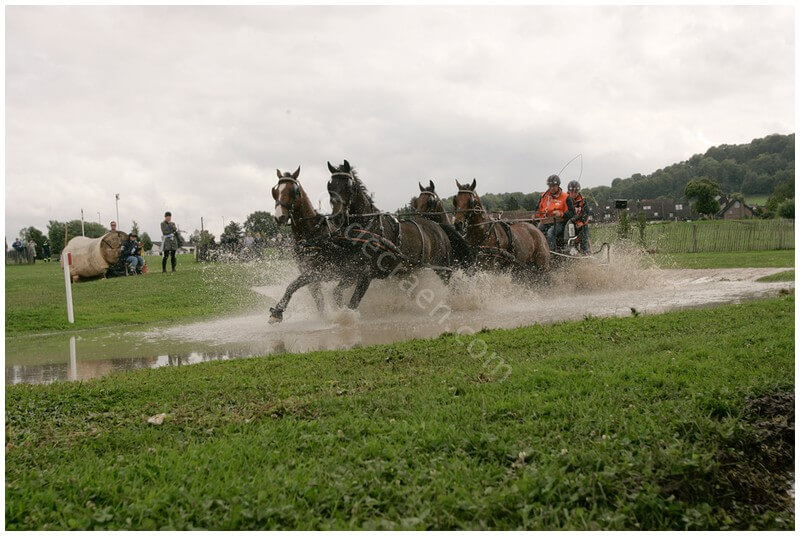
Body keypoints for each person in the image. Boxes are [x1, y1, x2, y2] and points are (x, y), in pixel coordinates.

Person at [535, 174, 574, 251]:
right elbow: (537, 209)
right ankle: (539, 251)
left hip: (560, 222)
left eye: (554, 186)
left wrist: (561, 214)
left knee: (550, 232)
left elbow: (572, 213)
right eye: (550, 186)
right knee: (537, 231)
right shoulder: (543, 196)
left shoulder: (566, 197)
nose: (551, 188)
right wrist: (535, 215)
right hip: (545, 221)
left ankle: (552, 252)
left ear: (558, 185)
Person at [567, 180, 591, 254]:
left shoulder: (583, 201)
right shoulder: (566, 199)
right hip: (570, 223)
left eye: (575, 192)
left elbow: (586, 213)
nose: (573, 194)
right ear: (569, 191)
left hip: (581, 224)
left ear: (578, 191)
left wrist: (582, 222)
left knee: (583, 238)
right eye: (571, 192)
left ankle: (585, 252)